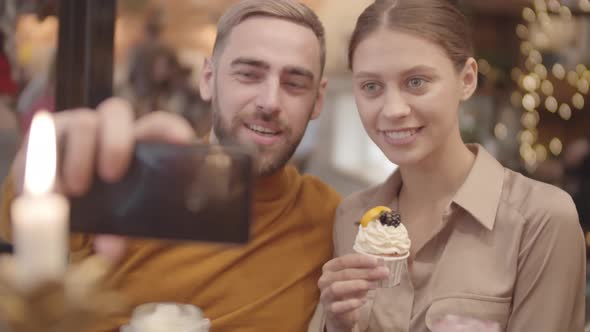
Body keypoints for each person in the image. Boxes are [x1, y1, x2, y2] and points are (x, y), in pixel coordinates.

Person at [0, 1, 341, 331]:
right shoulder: (117, 180)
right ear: (207, 79)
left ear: (318, 100)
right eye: (249, 74)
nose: (270, 102)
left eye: (295, 83)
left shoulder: (330, 218)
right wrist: (39, 175)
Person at [308, 1, 586, 331]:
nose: (393, 109)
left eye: (416, 82)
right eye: (371, 86)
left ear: (467, 80)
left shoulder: (542, 220)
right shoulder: (352, 217)